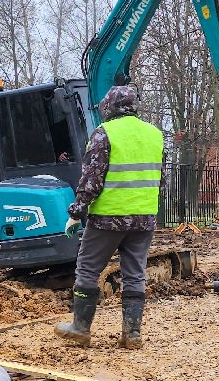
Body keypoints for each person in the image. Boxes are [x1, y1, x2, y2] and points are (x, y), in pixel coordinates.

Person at [55, 84, 163, 349]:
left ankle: (80, 328)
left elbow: (92, 180)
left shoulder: (104, 134)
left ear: (109, 108)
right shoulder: (155, 135)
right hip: (144, 218)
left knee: (88, 269)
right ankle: (132, 335)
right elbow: (161, 178)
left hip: (108, 218)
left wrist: (76, 212)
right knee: (135, 274)